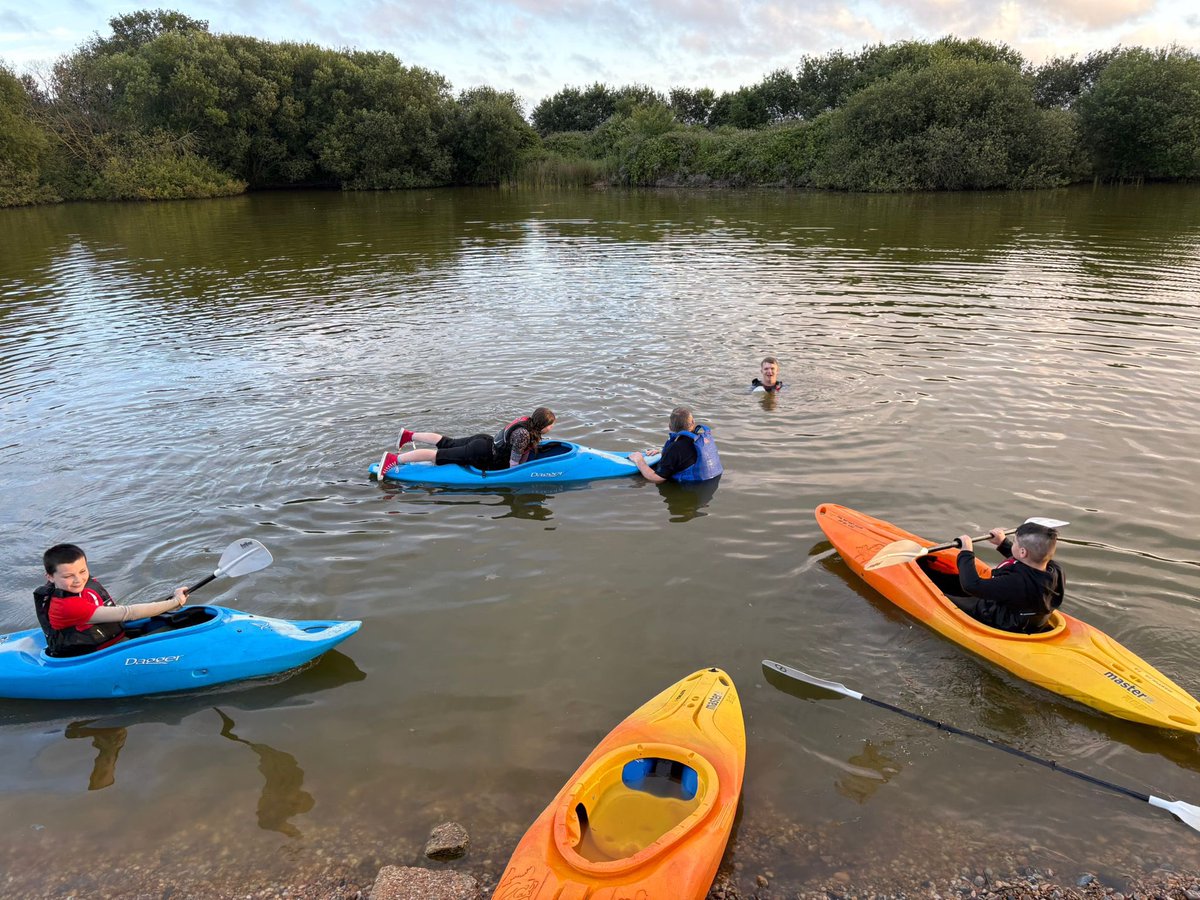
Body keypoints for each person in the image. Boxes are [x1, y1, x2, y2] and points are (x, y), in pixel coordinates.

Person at [34, 544, 190, 658]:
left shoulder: (72, 586)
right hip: (97, 654)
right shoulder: (68, 606)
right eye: (68, 576)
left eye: (82, 571)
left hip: (107, 639)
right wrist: (175, 602)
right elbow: (128, 613)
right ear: (50, 577)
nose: (78, 580)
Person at [950, 523, 1065, 633]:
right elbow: (1025, 558)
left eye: (1014, 542)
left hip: (1006, 624)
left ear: (1023, 551)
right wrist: (1003, 543)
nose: (1013, 544)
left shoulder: (1015, 582)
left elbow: (971, 585)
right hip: (1031, 621)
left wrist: (966, 552)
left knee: (946, 595)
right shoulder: (1055, 569)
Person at [377, 407, 557, 476]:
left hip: (483, 441)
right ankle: (394, 459)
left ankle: (408, 435)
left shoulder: (527, 421)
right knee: (438, 455)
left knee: (446, 442)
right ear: (542, 425)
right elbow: (513, 463)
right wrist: (517, 477)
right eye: (550, 425)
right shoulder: (524, 435)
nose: (552, 427)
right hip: (481, 453)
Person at [629, 407, 723, 484]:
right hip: (712, 480)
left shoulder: (676, 448)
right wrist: (663, 453)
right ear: (693, 423)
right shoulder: (702, 439)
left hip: (691, 488)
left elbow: (657, 478)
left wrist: (639, 460)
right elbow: (688, 456)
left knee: (639, 481)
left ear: (670, 426)